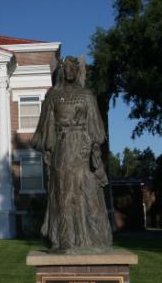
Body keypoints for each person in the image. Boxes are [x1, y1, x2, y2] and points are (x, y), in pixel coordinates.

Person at [32, 56, 112, 253]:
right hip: (62, 148)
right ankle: (64, 239)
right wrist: (48, 149)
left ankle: (92, 238)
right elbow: (44, 128)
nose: (68, 71)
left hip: (83, 149)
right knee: (63, 194)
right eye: (65, 68)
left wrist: (93, 146)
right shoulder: (53, 96)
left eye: (72, 67)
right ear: (61, 70)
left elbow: (97, 128)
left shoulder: (87, 95)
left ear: (78, 71)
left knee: (88, 194)